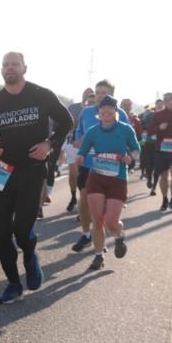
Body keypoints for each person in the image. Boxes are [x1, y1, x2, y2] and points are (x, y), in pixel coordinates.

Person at [0, 52, 72, 304]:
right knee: (2, 232)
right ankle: (13, 284)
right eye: (6, 64)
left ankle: (29, 254)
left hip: (31, 171)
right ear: (1, 70)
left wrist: (49, 144)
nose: (10, 68)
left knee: (22, 230)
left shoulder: (41, 95)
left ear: (24, 68)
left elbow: (66, 122)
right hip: (2, 172)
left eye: (15, 64)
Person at [75, 95, 141, 271]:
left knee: (111, 221)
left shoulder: (126, 129)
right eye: (102, 110)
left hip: (117, 178)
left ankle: (118, 236)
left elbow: (136, 149)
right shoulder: (93, 131)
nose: (106, 112)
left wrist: (130, 157)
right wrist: (80, 157)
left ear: (115, 111)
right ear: (99, 112)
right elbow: (83, 150)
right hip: (96, 177)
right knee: (97, 220)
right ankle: (98, 256)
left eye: (109, 110)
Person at [71, 80, 131, 253]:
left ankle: (101, 240)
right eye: (97, 93)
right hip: (88, 164)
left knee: (103, 211)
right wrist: (79, 141)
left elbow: (128, 138)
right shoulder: (86, 112)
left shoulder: (120, 114)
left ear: (112, 95)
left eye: (104, 93)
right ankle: (86, 234)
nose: (99, 96)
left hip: (110, 167)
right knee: (84, 200)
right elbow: (79, 133)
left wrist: (125, 155)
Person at [64, 88, 95, 212]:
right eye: (86, 94)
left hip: (91, 146)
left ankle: (84, 201)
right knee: (73, 172)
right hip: (74, 143)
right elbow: (66, 123)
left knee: (86, 173)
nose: (88, 96)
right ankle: (73, 197)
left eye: (91, 94)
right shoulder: (73, 108)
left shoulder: (100, 110)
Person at [139, 99, 161, 192]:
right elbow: (143, 127)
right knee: (149, 164)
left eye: (162, 105)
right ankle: (149, 179)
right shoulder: (149, 115)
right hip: (149, 143)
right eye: (158, 104)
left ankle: (154, 187)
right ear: (155, 105)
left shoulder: (165, 116)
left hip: (160, 144)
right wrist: (143, 140)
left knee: (157, 166)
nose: (160, 106)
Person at [120, 98, 142, 174]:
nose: (126, 107)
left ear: (131, 106)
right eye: (124, 105)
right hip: (117, 149)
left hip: (129, 150)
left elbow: (139, 135)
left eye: (128, 105)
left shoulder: (135, 120)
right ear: (120, 106)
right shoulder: (114, 118)